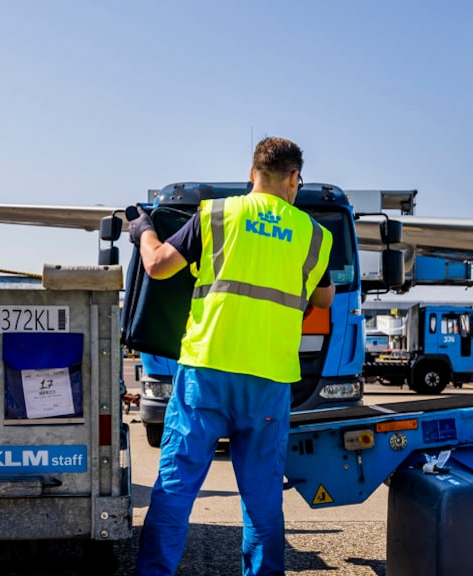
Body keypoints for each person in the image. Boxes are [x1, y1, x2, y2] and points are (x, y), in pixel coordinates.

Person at [129, 137, 334, 576]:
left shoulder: (216, 214)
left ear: (251, 173)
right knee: (262, 501)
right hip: (268, 379)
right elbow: (325, 296)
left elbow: (158, 266)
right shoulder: (314, 236)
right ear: (294, 178)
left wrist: (143, 230)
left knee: (175, 488)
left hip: (206, 372)